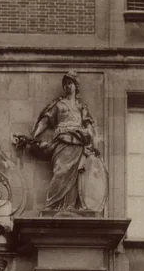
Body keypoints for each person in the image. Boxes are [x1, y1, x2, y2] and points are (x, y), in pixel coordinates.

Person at [17, 72, 105, 215]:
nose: (67, 86)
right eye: (65, 84)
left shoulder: (81, 106)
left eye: (70, 83)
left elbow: (88, 125)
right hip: (62, 143)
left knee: (76, 176)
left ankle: (70, 206)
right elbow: (45, 121)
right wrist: (33, 136)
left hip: (77, 143)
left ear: (76, 86)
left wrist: (90, 139)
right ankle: (52, 205)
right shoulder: (59, 104)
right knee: (61, 171)